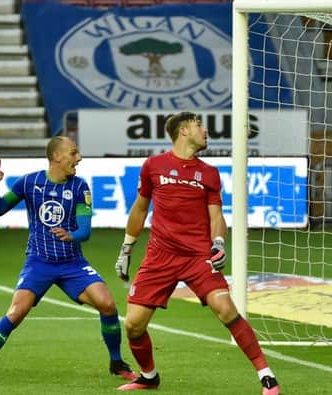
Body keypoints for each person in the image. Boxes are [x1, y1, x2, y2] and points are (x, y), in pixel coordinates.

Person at [114, 111, 280, 394]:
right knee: (133, 326)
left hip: (197, 256)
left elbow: (216, 215)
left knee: (225, 308)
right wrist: (127, 247)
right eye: (199, 125)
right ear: (183, 131)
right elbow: (140, 208)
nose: (205, 131)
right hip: (160, 256)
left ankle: (267, 376)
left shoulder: (209, 173)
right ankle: (149, 376)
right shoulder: (153, 166)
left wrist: (218, 242)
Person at [0, 136, 136, 382]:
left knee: (107, 305)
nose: (79, 158)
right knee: (16, 312)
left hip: (72, 262)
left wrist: (71, 234)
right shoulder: (29, 183)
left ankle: (116, 362)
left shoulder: (79, 187)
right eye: (74, 153)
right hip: (39, 262)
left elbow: (85, 231)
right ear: (56, 156)